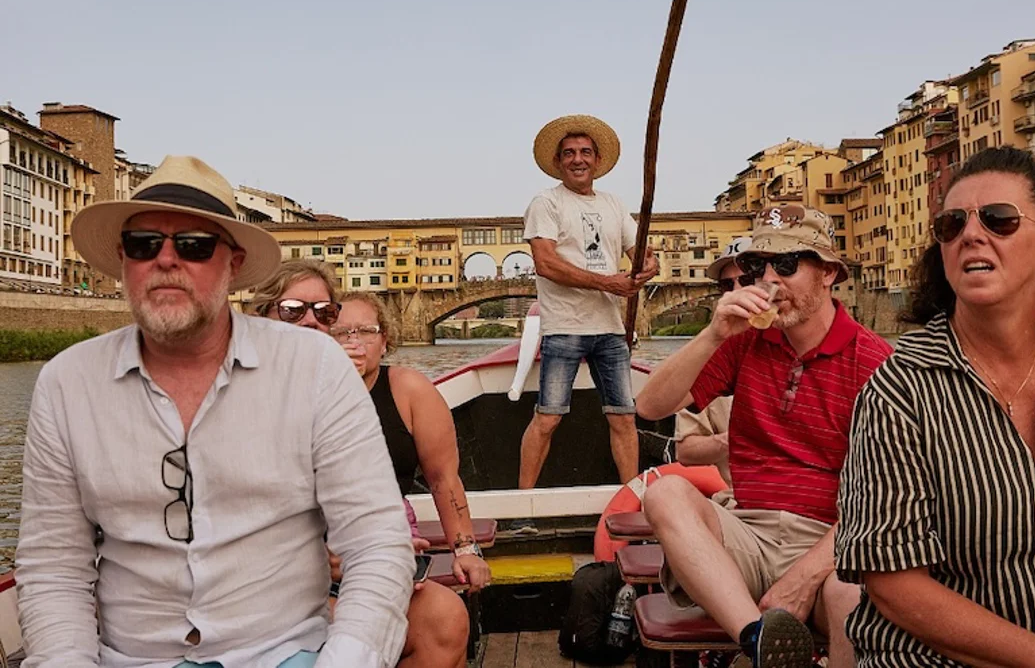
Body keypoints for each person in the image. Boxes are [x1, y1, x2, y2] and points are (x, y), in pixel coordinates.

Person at [15, 156, 414, 668]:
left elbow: (376, 542)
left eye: (194, 245)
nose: (165, 260)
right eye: (144, 244)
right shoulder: (66, 383)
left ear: (233, 264)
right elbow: (54, 567)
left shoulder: (315, 367)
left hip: (286, 654)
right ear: (123, 259)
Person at [836, 146, 1035, 667]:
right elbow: (894, 585)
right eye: (952, 225)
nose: (971, 234)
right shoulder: (899, 390)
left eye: (999, 219)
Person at [635, 206, 892, 668]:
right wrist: (712, 334)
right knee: (665, 493)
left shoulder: (874, 363)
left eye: (786, 265)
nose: (768, 280)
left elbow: (883, 500)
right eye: (757, 267)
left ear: (828, 273)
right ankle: (759, 640)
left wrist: (803, 578)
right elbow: (650, 406)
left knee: (850, 594)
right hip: (747, 531)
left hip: (830, 541)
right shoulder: (743, 342)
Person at [250, 261, 483, 668]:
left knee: (444, 619)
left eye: (324, 313)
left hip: (353, 566)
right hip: (272, 585)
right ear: (263, 319)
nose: (312, 323)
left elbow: (435, 478)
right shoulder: (243, 394)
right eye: (292, 310)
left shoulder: (352, 392)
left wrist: (453, 548)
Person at [517, 115, 658, 525]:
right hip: (565, 327)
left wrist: (648, 267)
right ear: (559, 163)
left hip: (610, 329)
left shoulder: (613, 204)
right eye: (569, 154)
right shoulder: (546, 203)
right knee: (548, 417)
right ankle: (522, 509)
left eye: (584, 153)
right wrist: (607, 282)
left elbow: (640, 252)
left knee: (624, 417)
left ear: (596, 160)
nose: (577, 160)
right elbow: (545, 263)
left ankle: (633, 505)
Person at [673, 237, 754, 481]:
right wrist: (733, 439)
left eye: (748, 280)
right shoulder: (709, 357)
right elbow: (685, 450)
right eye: (727, 285)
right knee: (666, 491)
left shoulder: (801, 348)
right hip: (737, 497)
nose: (737, 291)